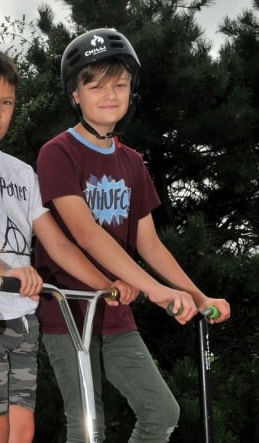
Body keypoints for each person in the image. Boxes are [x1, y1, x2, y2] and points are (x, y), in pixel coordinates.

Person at [0, 44, 133, 443]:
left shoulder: (22, 172)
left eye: (5, 103)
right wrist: (3, 273)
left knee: (22, 432)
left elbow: (57, 244)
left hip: (23, 318)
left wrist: (102, 284)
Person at [34, 28, 231, 442]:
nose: (110, 94)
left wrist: (197, 297)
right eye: (97, 85)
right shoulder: (58, 153)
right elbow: (85, 233)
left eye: (120, 84)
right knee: (88, 422)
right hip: (71, 310)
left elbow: (149, 244)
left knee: (161, 411)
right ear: (75, 94)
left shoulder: (132, 163)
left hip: (117, 313)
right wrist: (157, 292)